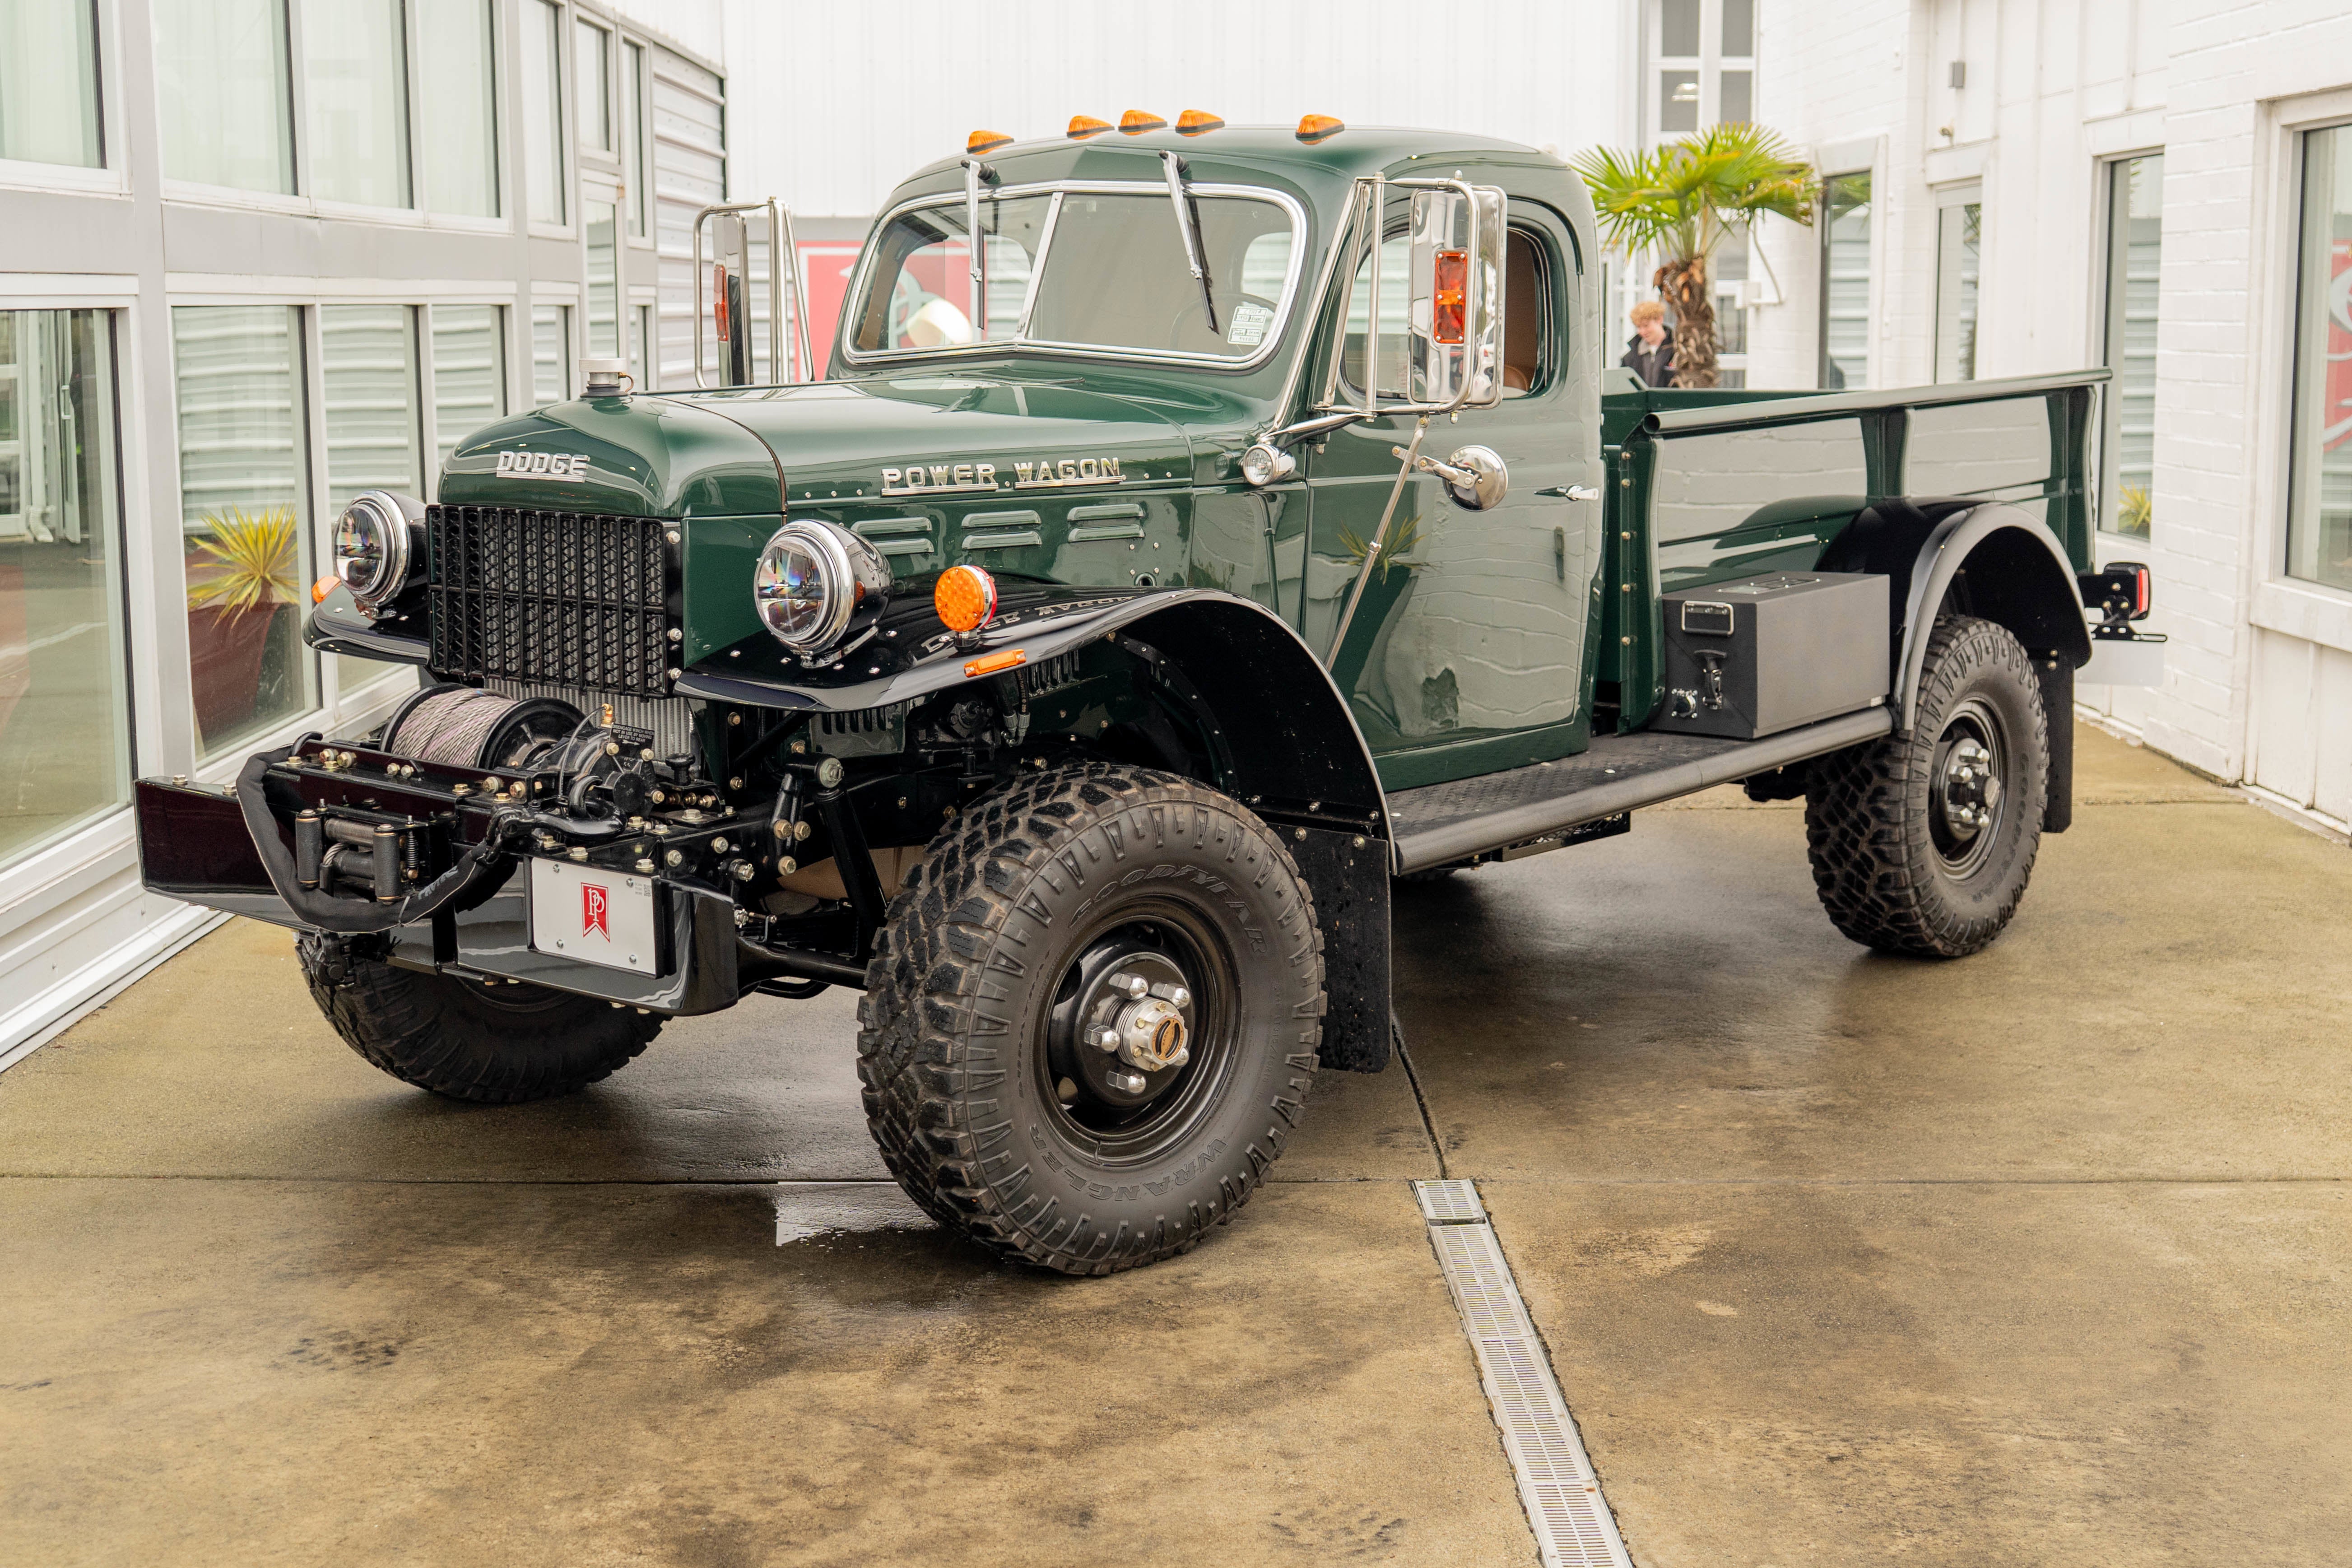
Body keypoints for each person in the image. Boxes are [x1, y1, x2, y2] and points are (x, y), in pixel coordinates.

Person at [1621, 300, 1676, 387]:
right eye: (1639, 327)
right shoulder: (1629, 359)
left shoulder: (1678, 352)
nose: (1642, 331)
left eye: (1646, 326)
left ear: (1659, 320)